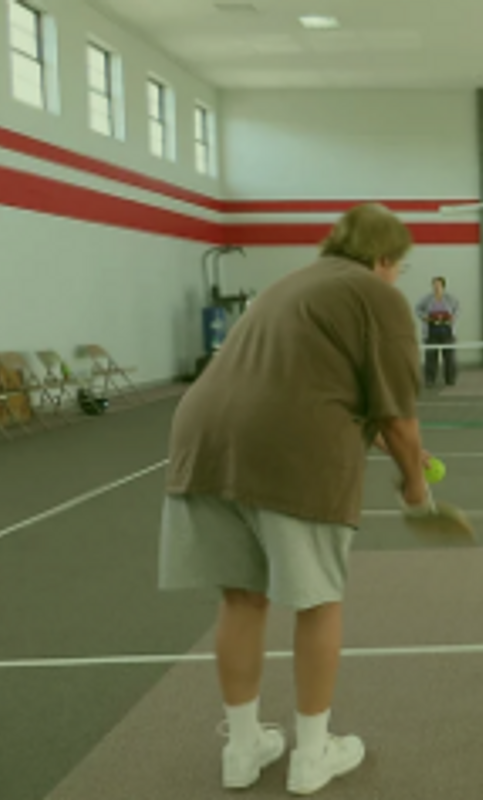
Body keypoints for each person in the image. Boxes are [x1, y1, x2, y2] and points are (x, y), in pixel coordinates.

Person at [159, 203, 434, 794]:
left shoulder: (290, 283)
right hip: (291, 447)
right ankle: (313, 756)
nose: (395, 276)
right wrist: (415, 483)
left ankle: (243, 748)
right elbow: (397, 417)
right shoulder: (376, 294)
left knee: (241, 596)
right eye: (399, 266)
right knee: (317, 599)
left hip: (201, 440)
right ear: (384, 258)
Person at [415, 277, 459, 388]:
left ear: (443, 286)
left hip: (447, 329)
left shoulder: (450, 298)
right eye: (434, 285)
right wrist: (425, 317)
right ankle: (430, 380)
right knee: (430, 356)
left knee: (449, 356)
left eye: (438, 285)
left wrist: (452, 318)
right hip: (432, 330)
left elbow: (457, 309)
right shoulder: (427, 298)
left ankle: (450, 379)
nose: (436, 287)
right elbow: (417, 309)